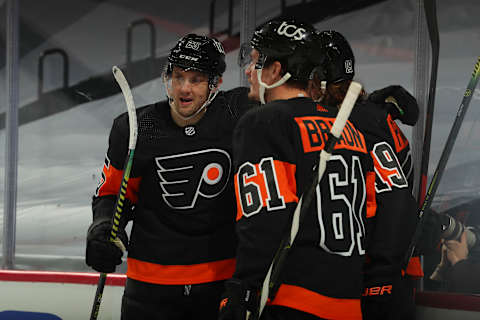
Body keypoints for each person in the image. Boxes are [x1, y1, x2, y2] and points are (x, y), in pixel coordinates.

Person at [86, 33, 257, 319]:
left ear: (216, 83)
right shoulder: (137, 127)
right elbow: (112, 193)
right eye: (178, 77)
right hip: (151, 286)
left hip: (220, 282)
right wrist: (103, 228)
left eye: (196, 79)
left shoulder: (238, 114)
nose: (184, 89)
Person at [218, 18, 377, 320]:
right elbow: (368, 211)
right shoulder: (350, 130)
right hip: (349, 303)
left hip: (290, 301)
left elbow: (264, 215)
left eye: (255, 63)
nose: (249, 72)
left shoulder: (264, 122)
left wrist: (244, 287)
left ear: (276, 70)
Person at [311, 30, 422, 320]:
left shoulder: (358, 121)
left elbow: (395, 195)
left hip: (376, 276)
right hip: (373, 269)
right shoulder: (363, 112)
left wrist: (382, 273)